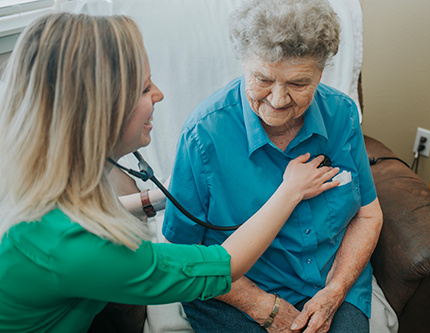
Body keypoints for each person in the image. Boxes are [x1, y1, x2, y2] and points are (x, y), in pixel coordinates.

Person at [0, 12, 339, 332]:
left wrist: (153, 200)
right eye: (145, 88)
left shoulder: (30, 179)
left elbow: (64, 217)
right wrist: (290, 190)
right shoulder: (76, 249)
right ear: (102, 113)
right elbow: (223, 265)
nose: (159, 94)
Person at [162, 0, 384, 332]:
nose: (278, 100)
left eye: (298, 84)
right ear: (242, 62)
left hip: (329, 282)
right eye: (263, 79)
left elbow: (368, 214)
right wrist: (262, 306)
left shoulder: (342, 115)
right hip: (238, 290)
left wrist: (335, 291)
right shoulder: (204, 135)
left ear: (321, 72)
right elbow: (182, 256)